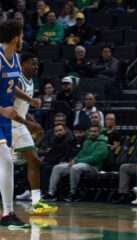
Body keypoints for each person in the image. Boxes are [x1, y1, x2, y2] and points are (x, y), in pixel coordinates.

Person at [12, 52, 57, 215]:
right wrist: (29, 123)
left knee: (35, 161)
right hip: (7, 124)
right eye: (33, 63)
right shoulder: (17, 80)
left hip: (19, 124)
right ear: (23, 65)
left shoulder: (31, 81)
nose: (36, 66)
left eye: (37, 64)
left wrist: (33, 122)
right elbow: (9, 110)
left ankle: (36, 202)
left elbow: (21, 108)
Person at [0, 20, 31, 228]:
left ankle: (7, 213)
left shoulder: (17, 59)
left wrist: (29, 99)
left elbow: (10, 88)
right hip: (1, 114)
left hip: (4, 119)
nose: (23, 39)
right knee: (7, 162)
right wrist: (2, 109)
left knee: (5, 163)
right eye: (21, 35)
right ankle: (8, 213)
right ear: (14, 37)